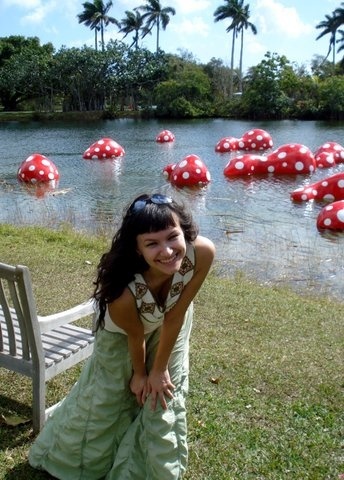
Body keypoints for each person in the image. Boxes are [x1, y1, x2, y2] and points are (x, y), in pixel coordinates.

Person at [29, 192, 215, 480]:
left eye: (172, 237)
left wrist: (160, 369)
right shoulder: (122, 294)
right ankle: (71, 460)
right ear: (137, 249)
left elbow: (176, 314)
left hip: (172, 324)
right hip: (122, 335)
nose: (166, 251)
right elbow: (134, 336)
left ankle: (147, 471)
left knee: (163, 395)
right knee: (107, 400)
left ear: (185, 231)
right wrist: (140, 374)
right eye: (152, 244)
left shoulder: (202, 253)